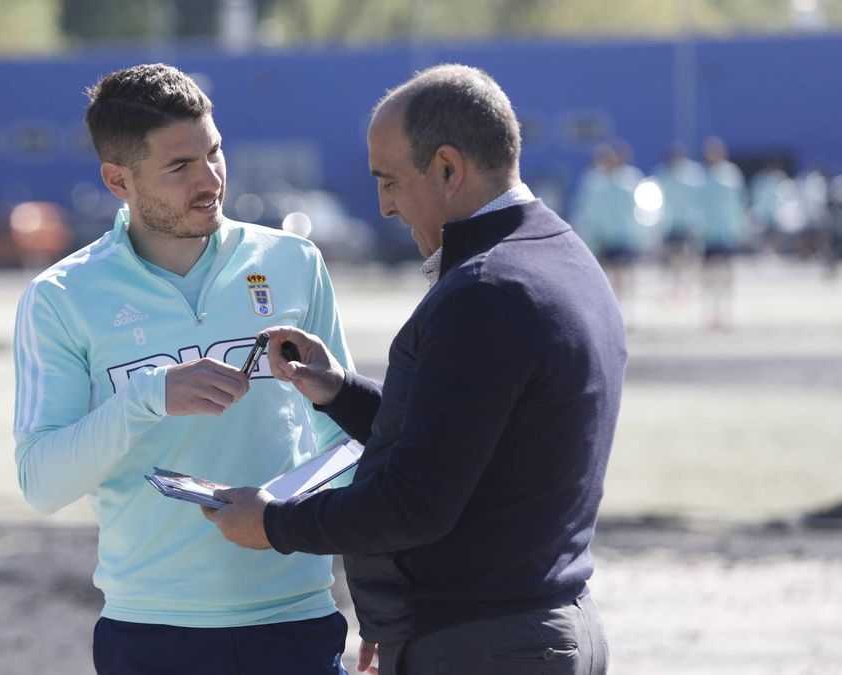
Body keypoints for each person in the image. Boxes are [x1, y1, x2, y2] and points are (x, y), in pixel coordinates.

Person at [205, 64, 625, 675]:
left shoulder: (487, 289)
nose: (383, 206)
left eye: (390, 181)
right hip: (530, 627)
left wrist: (270, 523)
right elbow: (461, 437)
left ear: (448, 169)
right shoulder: (558, 255)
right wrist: (338, 392)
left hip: (486, 642)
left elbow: (414, 502)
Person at [13, 63, 354, 675]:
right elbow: (42, 483)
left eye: (215, 152)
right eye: (180, 166)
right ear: (118, 180)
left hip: (296, 620)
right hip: (152, 629)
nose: (211, 180)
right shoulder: (61, 295)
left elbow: (347, 440)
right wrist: (145, 398)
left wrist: (379, 598)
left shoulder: (293, 260)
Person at [571, 141, 645, 315]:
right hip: (601, 236)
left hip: (624, 234)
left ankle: (626, 309)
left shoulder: (629, 178)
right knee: (604, 275)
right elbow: (585, 208)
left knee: (625, 273)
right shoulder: (594, 180)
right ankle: (611, 309)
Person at [697, 136, 748, 331]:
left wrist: (740, 228)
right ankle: (711, 311)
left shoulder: (730, 174)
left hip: (726, 231)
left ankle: (726, 312)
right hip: (709, 232)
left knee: (726, 273)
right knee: (709, 275)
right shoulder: (703, 177)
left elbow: (739, 203)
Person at [652, 141, 706, 300]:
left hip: (688, 222)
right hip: (670, 222)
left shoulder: (692, 173)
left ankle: (685, 283)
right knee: (672, 256)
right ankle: (676, 284)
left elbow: (699, 198)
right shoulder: (663, 174)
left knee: (686, 255)